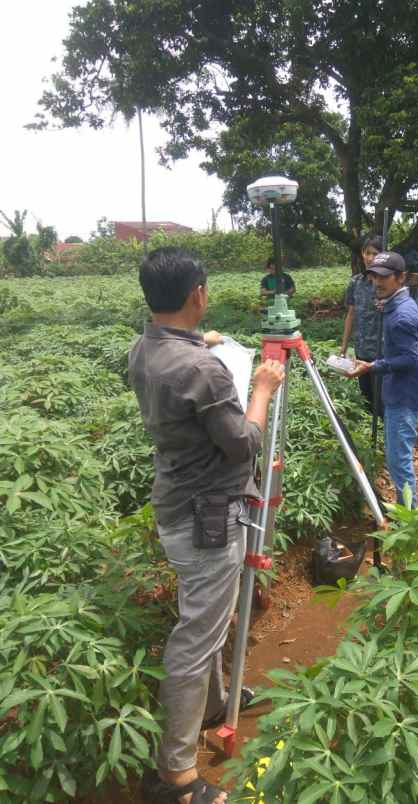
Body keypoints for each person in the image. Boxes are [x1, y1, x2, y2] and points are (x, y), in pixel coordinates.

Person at [129, 247, 284, 804]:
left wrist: (206, 343)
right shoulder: (200, 369)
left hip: (177, 505)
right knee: (196, 639)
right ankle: (176, 777)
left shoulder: (147, 348)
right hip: (210, 518)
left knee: (206, 620)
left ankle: (217, 704)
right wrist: (262, 388)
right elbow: (244, 440)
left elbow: (187, 372)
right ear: (198, 294)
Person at [346, 252, 418, 507]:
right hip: (398, 390)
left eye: (384, 277)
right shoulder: (396, 305)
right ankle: (407, 511)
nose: (377, 283)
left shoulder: (402, 315)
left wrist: (373, 366)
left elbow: (409, 358)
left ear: (400, 277)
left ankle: (410, 519)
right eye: (373, 277)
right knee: (397, 457)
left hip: (403, 394)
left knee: (399, 460)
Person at [340, 235, 383, 413]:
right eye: (367, 253)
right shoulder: (356, 282)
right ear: (362, 254)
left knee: (382, 397)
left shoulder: (387, 283)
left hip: (382, 349)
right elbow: (351, 314)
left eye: (375, 253)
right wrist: (343, 346)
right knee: (366, 395)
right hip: (362, 348)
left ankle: (383, 434)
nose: (370, 257)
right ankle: (370, 437)